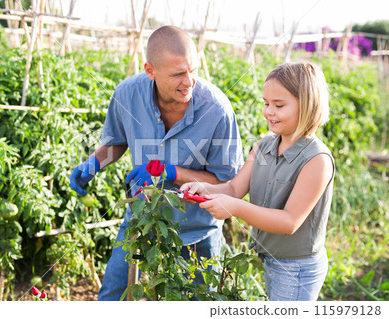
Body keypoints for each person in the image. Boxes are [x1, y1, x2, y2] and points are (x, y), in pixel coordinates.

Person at [69, 25, 242, 300]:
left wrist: (169, 172)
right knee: (113, 294)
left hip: (196, 229)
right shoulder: (127, 94)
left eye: (193, 70)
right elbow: (117, 141)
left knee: (199, 303)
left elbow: (227, 182)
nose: (189, 82)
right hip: (142, 217)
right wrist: (94, 162)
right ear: (150, 71)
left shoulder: (217, 110)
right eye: (177, 74)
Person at [181, 61, 335, 301]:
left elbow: (289, 222)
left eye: (279, 105)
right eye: (266, 103)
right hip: (272, 258)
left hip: (297, 268)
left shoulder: (316, 160)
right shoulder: (264, 146)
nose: (268, 112)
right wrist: (205, 188)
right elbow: (234, 188)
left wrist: (234, 208)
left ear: (307, 105)